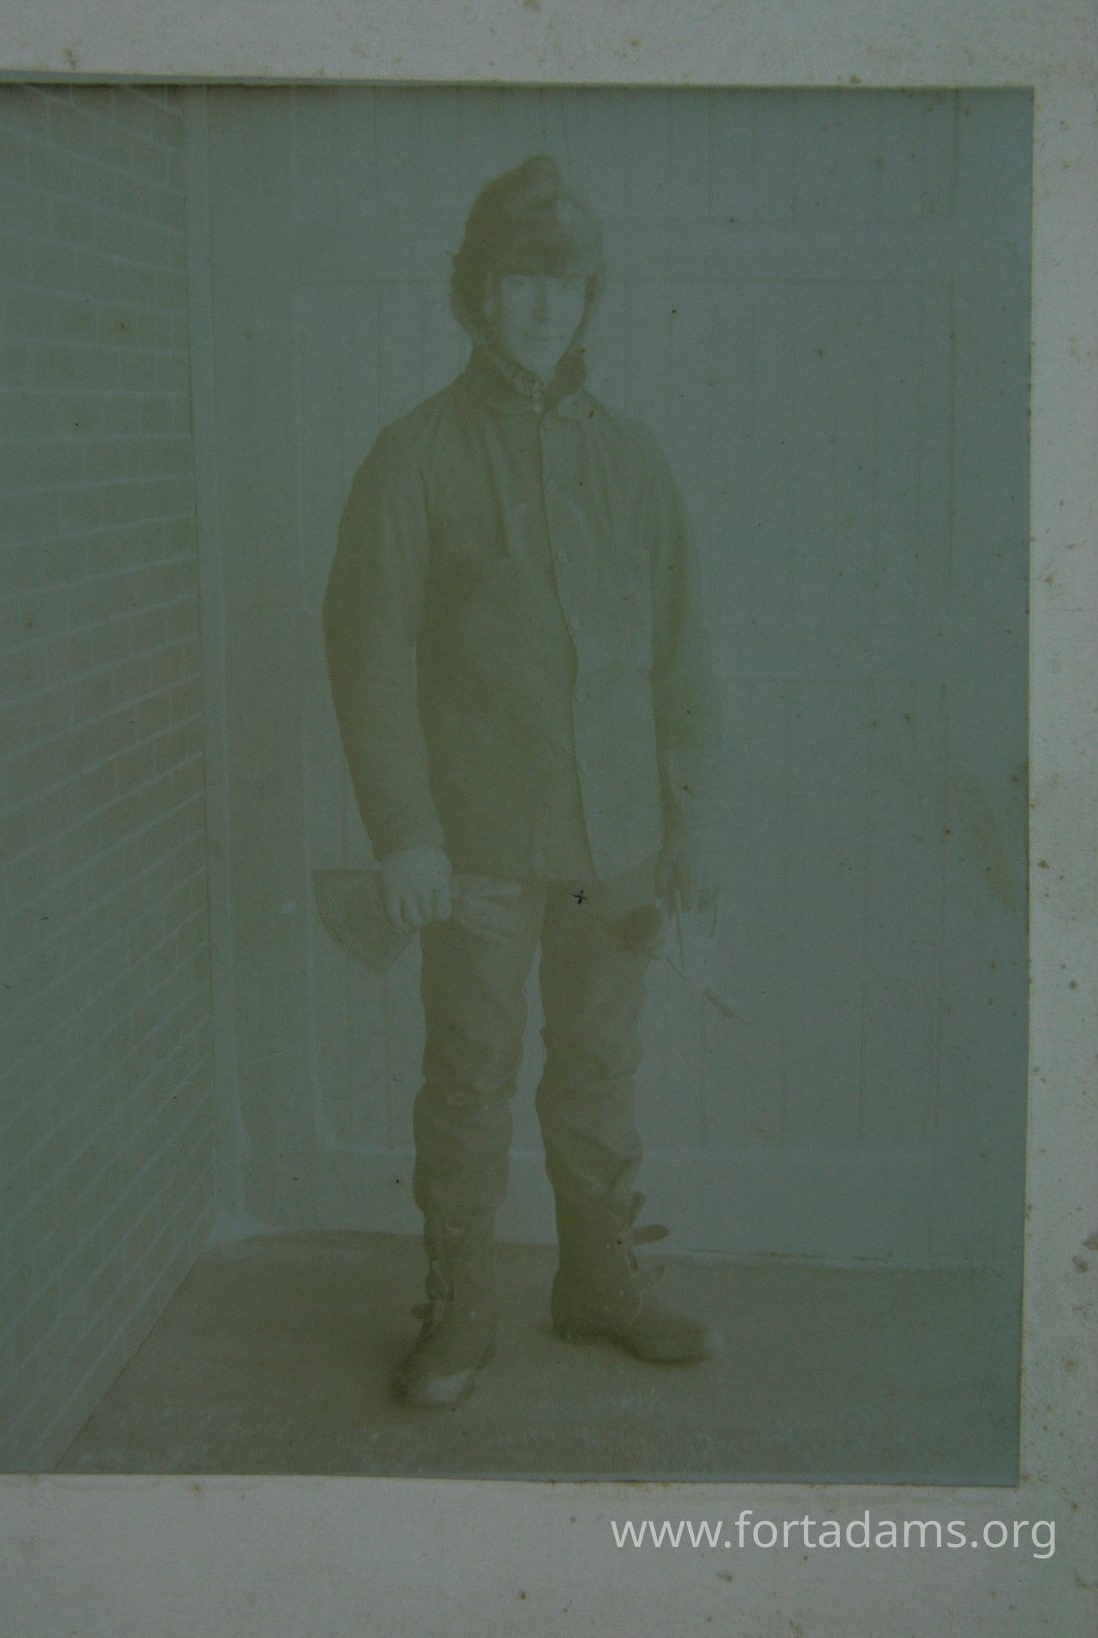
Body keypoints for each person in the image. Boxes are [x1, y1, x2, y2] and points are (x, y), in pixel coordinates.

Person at [322, 153, 722, 1408]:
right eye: (519, 280)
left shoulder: (633, 460)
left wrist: (682, 826)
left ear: (589, 296)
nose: (543, 305)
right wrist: (405, 834)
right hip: (478, 852)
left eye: (565, 281)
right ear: (478, 294)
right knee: (470, 1077)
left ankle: (596, 1284)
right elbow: (368, 656)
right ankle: (460, 1307)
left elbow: (681, 657)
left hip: (618, 852)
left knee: (599, 1071)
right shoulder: (415, 456)